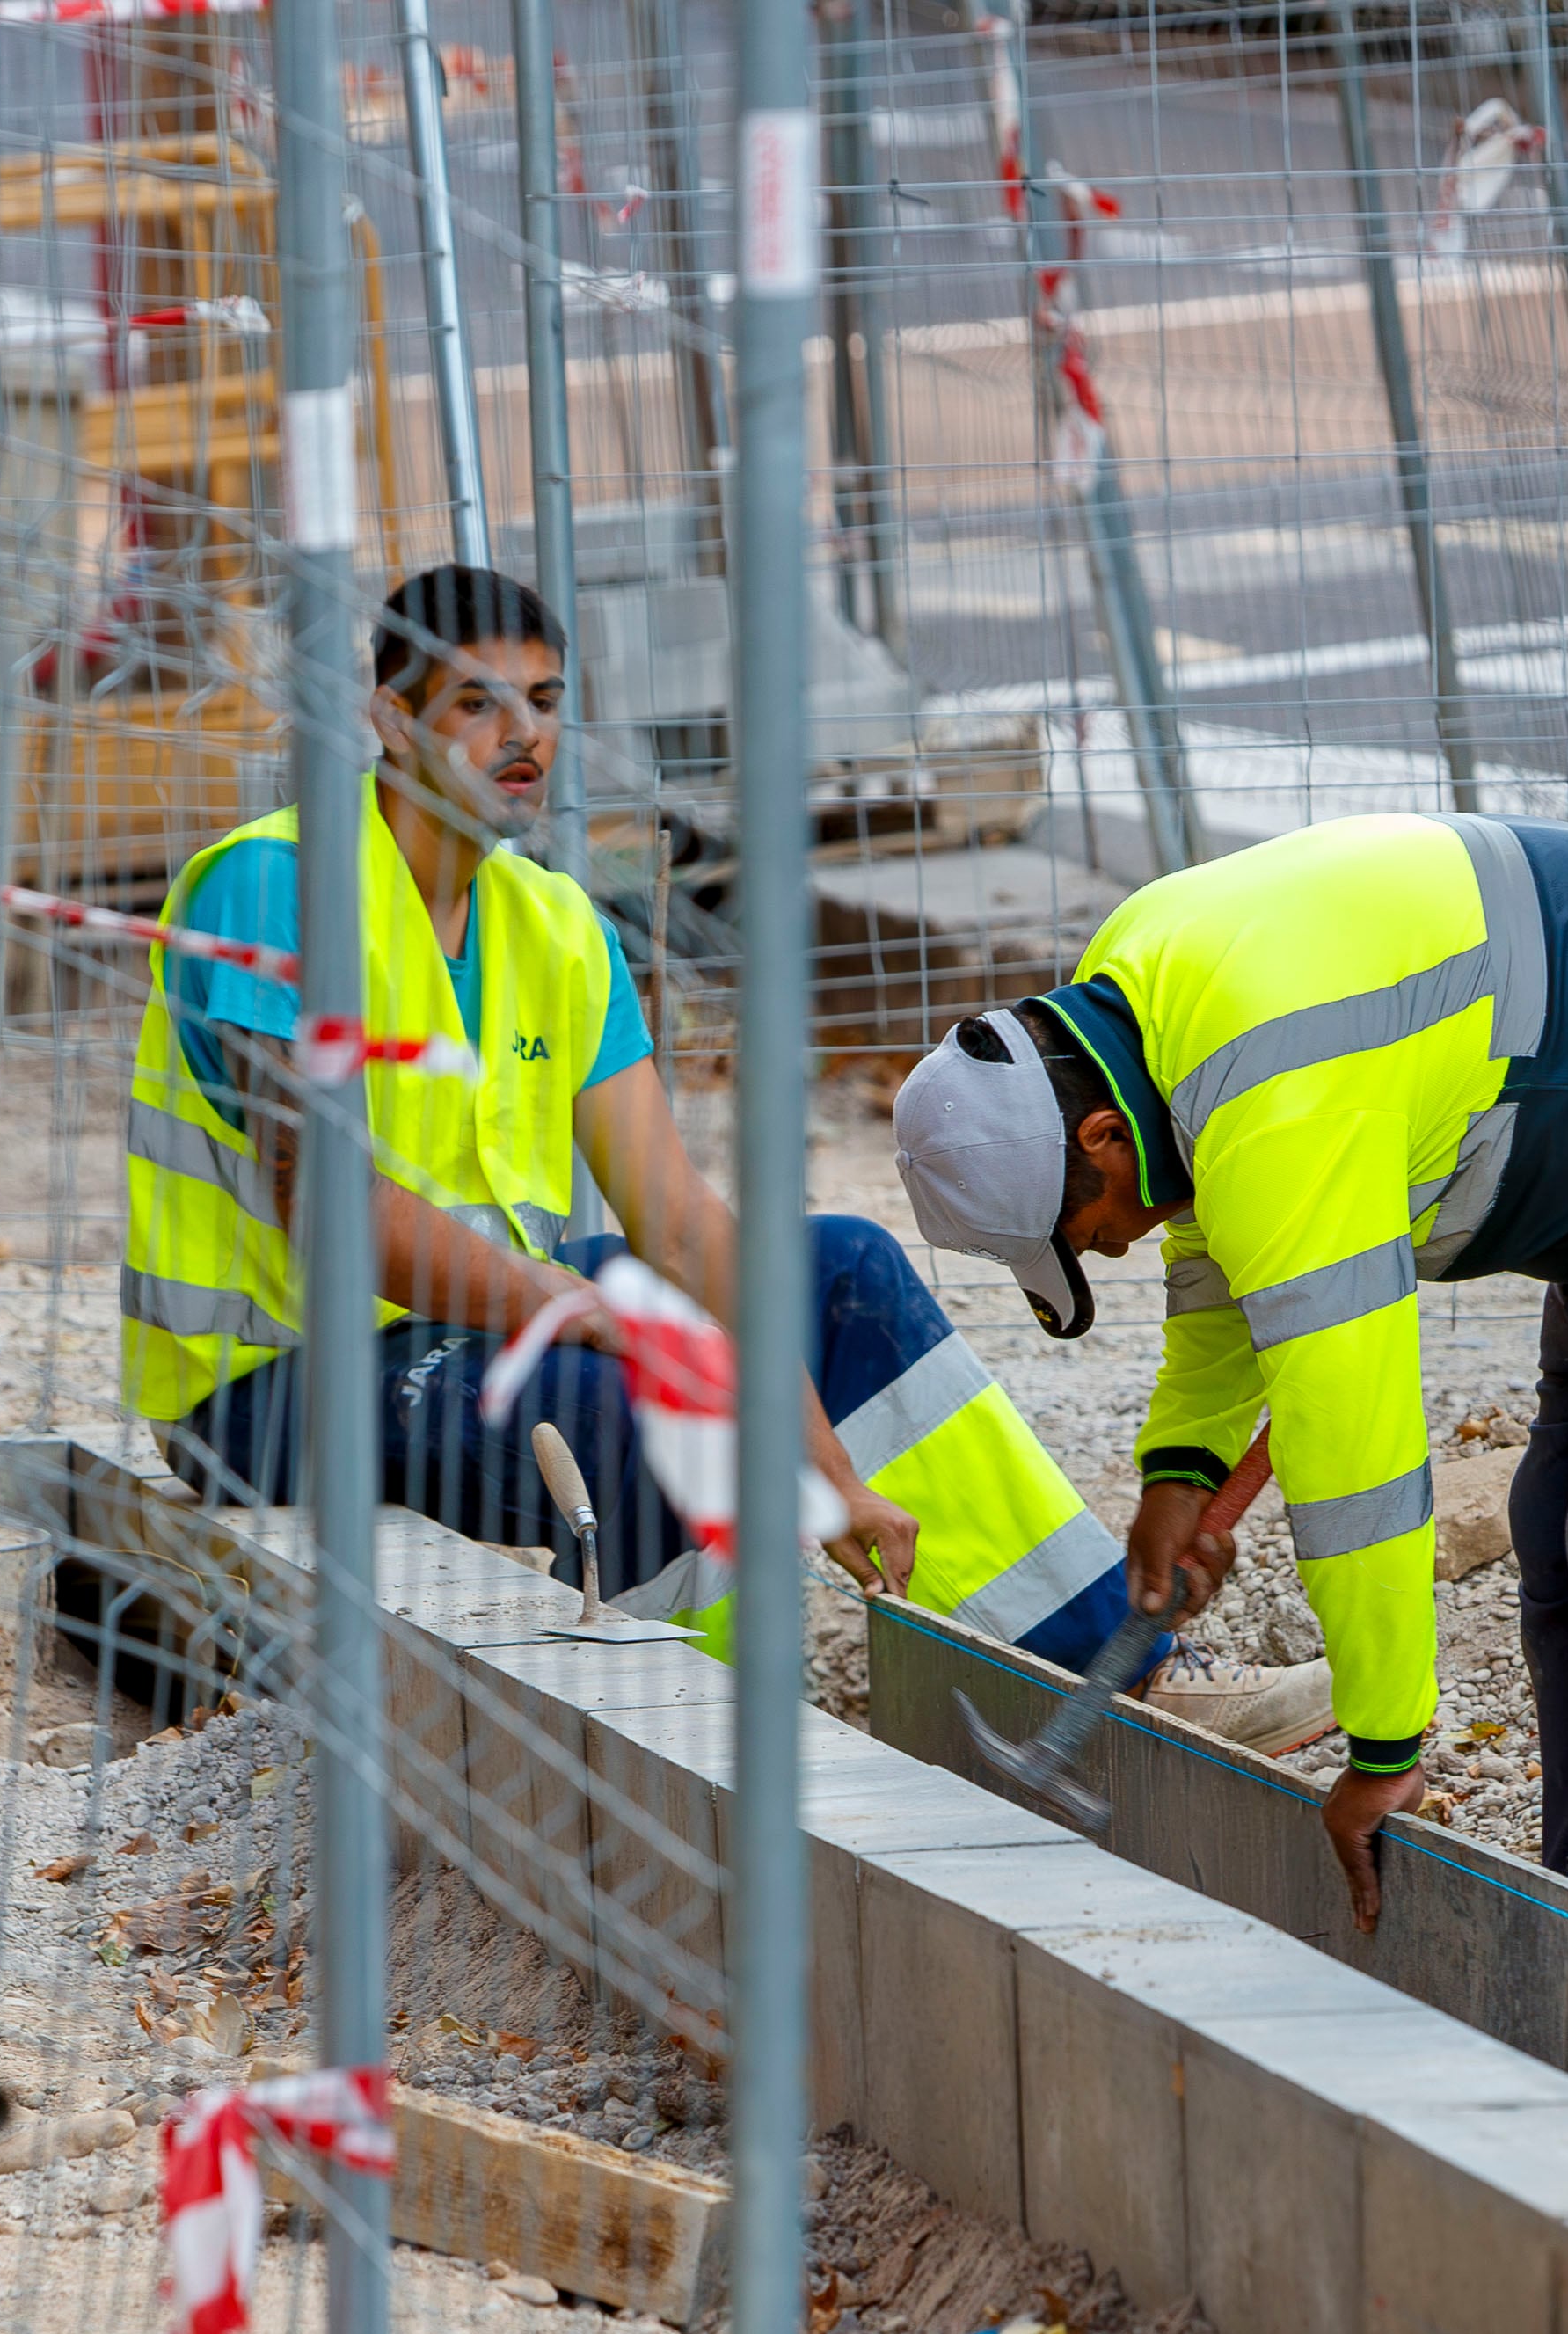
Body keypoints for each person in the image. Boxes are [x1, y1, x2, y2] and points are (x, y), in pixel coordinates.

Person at [120, 563, 1128, 1664]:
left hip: (470, 1332)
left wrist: (832, 1476)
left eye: (544, 702)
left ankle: (1112, 1671)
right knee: (638, 1393)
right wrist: (585, 1309)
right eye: (476, 704)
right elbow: (330, 1209)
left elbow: (679, 1223)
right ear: (392, 722)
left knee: (838, 1271)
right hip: (264, 1391)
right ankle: (710, 1719)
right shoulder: (280, 886)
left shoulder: (554, 926)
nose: (524, 736)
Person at [886, 809, 1568, 1937]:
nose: (1104, 1249)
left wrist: (1385, 1745)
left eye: (1081, 1229)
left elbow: (1354, 1462)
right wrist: (1178, 1471)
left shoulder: (1276, 1092)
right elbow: (1218, 1260)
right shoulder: (1140, 995)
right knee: (1558, 1538)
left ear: (1103, 1137)